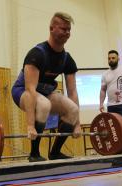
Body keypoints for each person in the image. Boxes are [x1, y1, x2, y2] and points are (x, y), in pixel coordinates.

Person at [11, 12, 81, 162]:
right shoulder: (37, 54)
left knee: (73, 110)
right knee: (43, 104)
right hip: (22, 91)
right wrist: (30, 126)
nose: (67, 33)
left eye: (69, 30)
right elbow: (30, 91)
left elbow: (73, 92)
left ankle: (55, 152)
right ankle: (34, 153)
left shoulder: (67, 59)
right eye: (63, 29)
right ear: (51, 29)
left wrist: (77, 124)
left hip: (45, 92)